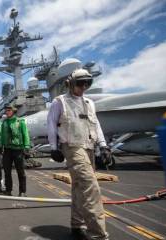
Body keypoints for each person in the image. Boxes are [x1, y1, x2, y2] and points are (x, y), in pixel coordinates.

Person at [47, 69, 110, 240]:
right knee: (91, 188)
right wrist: (54, 148)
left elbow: (96, 125)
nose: (84, 87)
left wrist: (103, 146)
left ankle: (77, 225)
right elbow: (51, 125)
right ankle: (98, 235)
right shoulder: (59, 102)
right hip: (72, 147)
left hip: (89, 147)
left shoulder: (90, 103)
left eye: (87, 83)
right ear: (70, 83)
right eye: (80, 83)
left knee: (78, 188)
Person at [0, 103, 31, 197]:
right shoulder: (4, 122)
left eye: (9, 110)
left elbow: (25, 134)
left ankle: (22, 191)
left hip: (18, 149)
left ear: (13, 111)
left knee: (20, 171)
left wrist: (26, 146)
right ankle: (8, 190)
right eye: (6, 110)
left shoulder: (20, 121)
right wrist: (1, 145)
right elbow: (2, 135)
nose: (7, 112)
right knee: (7, 171)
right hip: (7, 150)